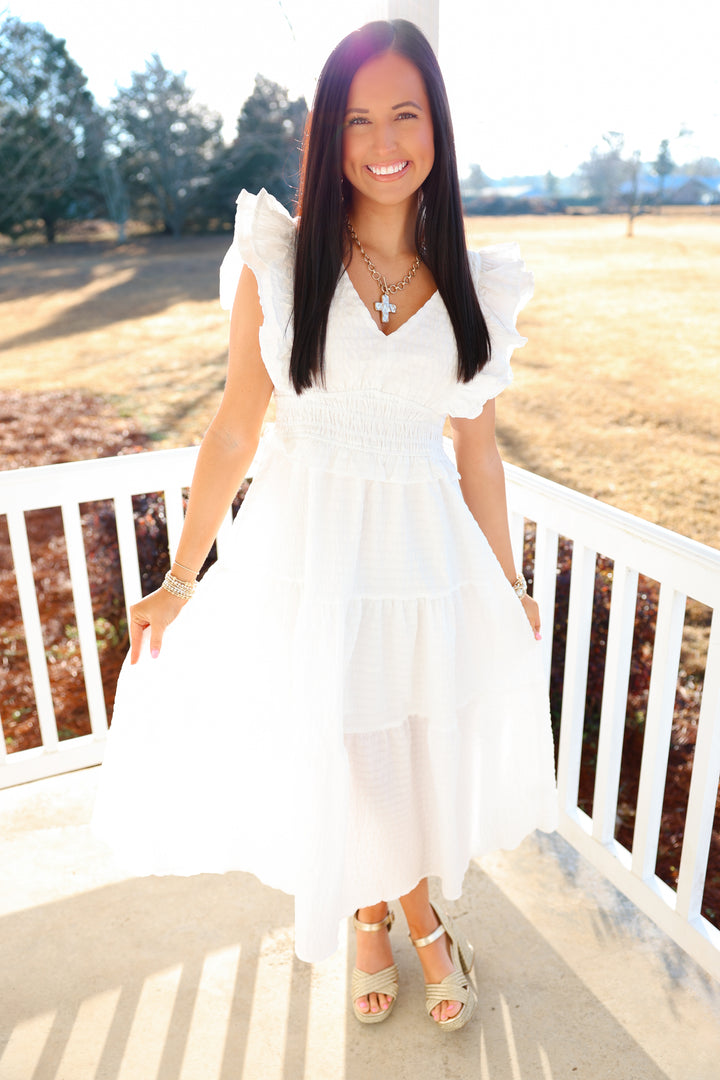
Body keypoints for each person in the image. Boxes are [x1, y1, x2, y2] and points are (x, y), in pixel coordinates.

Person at [92, 19, 557, 1032]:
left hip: (421, 554)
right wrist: (180, 576)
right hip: (307, 551)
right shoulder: (281, 256)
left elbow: (477, 456)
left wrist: (508, 580)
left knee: (405, 745)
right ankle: (408, 920)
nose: (383, 140)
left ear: (436, 127)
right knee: (346, 743)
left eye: (405, 113)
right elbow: (231, 430)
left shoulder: (477, 282)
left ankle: (379, 916)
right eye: (358, 119)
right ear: (326, 134)